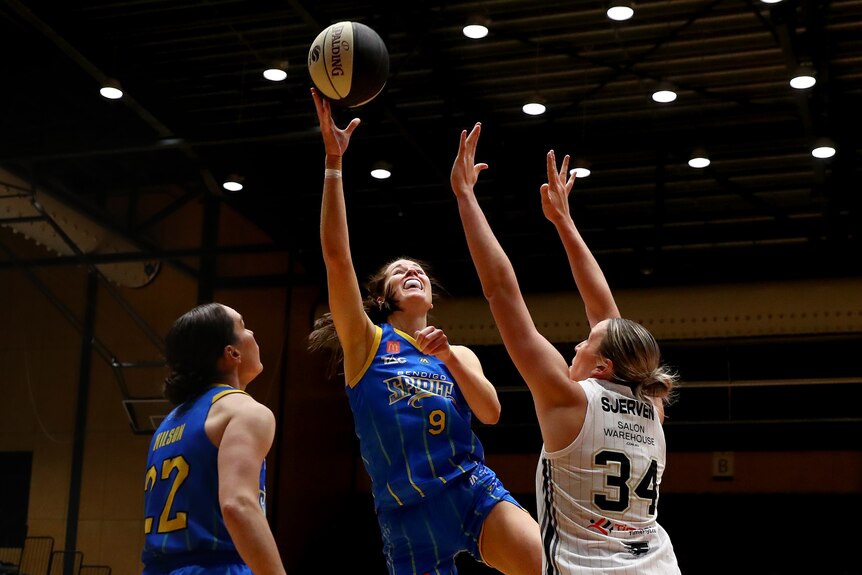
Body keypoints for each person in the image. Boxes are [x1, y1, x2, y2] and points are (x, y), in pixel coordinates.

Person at [307, 87, 543, 575]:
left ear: (431, 297)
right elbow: (336, 259)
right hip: (406, 509)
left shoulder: (459, 354)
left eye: (417, 270)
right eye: (399, 271)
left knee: (539, 560)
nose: (411, 271)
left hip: (467, 485)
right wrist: (334, 164)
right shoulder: (366, 343)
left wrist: (451, 359)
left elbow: (492, 412)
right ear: (381, 297)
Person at [449, 122, 681, 574]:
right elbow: (606, 315)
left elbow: (501, 292)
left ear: (601, 367)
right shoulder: (652, 402)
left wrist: (466, 198)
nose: (577, 343)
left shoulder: (568, 399)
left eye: (586, 343)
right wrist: (564, 222)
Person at [142, 302, 287, 575]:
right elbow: (237, 505)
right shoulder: (244, 411)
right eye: (243, 326)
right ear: (232, 353)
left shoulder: (167, 424)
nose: (252, 333)